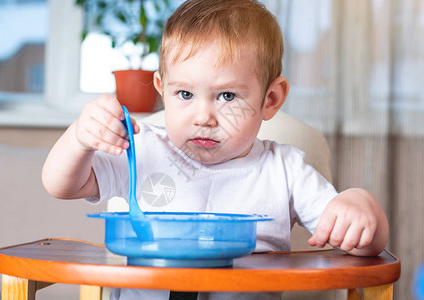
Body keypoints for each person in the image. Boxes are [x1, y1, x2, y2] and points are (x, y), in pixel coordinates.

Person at [42, 0, 389, 299]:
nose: (204, 117)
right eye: (185, 94)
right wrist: (78, 138)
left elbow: (360, 245)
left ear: (270, 100)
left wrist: (361, 207)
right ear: (162, 89)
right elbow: (63, 185)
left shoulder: (285, 171)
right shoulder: (141, 148)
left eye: (227, 96)